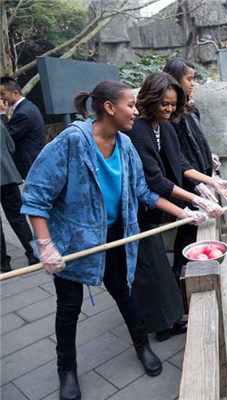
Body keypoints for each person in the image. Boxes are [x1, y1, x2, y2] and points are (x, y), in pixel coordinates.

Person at [21, 81, 207, 400]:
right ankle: (66, 370)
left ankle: (142, 347)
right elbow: (36, 196)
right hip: (71, 241)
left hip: (112, 236)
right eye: (130, 105)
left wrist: (185, 212)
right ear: (109, 108)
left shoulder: (125, 145)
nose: (135, 111)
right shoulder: (72, 141)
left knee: (124, 292)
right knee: (69, 307)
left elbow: (143, 191)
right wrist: (45, 245)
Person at [124, 72, 227, 342]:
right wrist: (194, 201)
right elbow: (154, 180)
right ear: (150, 99)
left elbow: (180, 164)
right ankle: (154, 328)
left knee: (160, 271)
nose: (169, 109)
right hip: (136, 211)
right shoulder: (138, 131)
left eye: (173, 104)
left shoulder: (164, 127)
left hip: (154, 206)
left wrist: (211, 181)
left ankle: (169, 321)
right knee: (149, 272)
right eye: (164, 103)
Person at [163, 58, 227, 280]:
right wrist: (197, 183)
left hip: (201, 179)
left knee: (196, 231)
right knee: (188, 233)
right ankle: (180, 276)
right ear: (175, 81)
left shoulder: (190, 109)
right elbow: (176, 158)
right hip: (188, 186)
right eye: (189, 79)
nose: (192, 83)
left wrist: (209, 157)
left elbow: (196, 141)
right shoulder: (170, 117)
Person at [1, 118, 37, 272]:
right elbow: (11, 146)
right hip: (7, 174)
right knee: (17, 216)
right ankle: (32, 253)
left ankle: (3, 263)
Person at [0, 76, 46, 179]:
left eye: (2, 94)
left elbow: (6, 137)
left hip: (28, 166)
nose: (1, 98)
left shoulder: (23, 113)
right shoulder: (26, 107)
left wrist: (2, 114)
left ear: (15, 93)